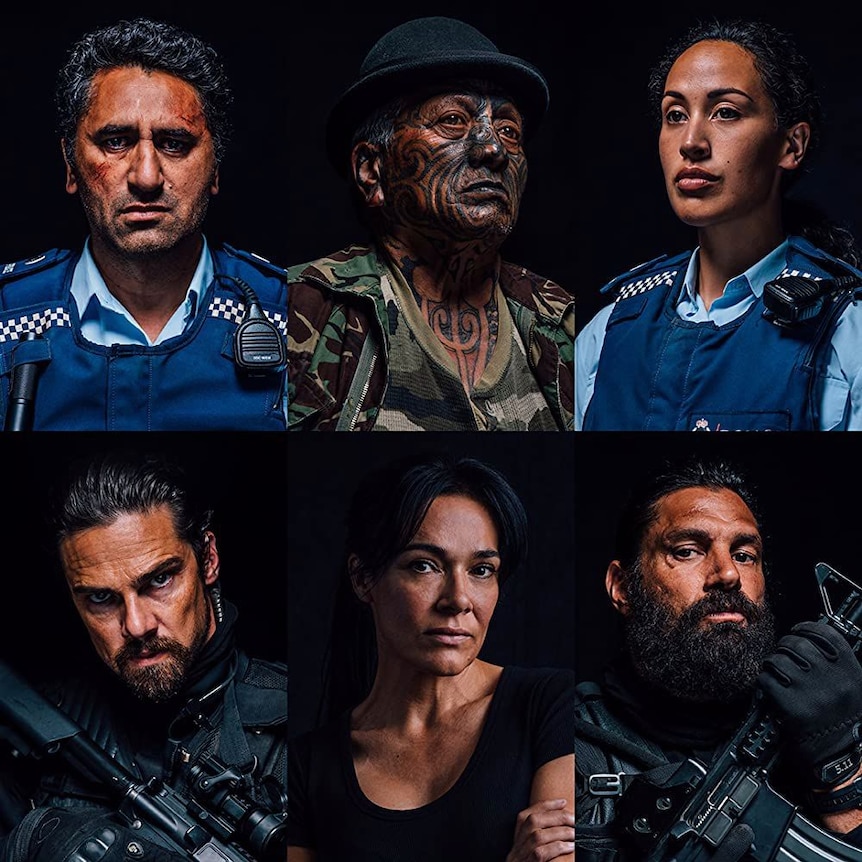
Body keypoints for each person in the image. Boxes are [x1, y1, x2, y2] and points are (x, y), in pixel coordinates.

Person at [286, 16, 574, 431]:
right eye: (453, 120)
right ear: (371, 170)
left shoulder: (564, 320)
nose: (493, 148)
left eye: (509, 130)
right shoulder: (300, 309)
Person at [0, 17, 288, 431]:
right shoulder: (9, 316)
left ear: (215, 169)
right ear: (70, 164)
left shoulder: (286, 312)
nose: (147, 177)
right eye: (115, 141)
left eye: (175, 144)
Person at [0, 449, 288, 861]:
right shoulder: (38, 716)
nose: (136, 625)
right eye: (101, 598)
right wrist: (35, 840)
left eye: (159, 580)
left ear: (207, 559)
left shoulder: (298, 729)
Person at [576, 19, 862, 431]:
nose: (691, 141)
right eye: (674, 114)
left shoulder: (844, 336)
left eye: (725, 112)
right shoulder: (607, 334)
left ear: (791, 144)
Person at [287, 453, 575, 860]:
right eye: (425, 566)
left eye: (481, 570)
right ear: (363, 578)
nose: (458, 600)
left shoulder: (550, 705)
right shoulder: (308, 767)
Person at [574, 456, 862, 860]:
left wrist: (840, 771)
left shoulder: (835, 729)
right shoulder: (568, 746)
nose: (728, 574)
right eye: (689, 551)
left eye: (745, 555)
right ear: (622, 587)